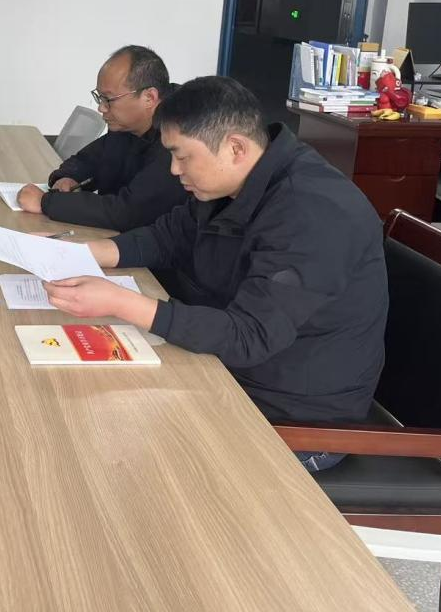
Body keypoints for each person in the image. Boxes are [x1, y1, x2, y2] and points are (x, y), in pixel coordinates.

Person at [44, 76, 388, 473]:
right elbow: (168, 236)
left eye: (182, 156)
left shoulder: (313, 213)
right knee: (81, 404)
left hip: (293, 419)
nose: (174, 170)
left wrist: (121, 303)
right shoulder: (234, 182)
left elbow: (250, 336)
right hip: (231, 375)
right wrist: (78, 254)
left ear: (235, 148)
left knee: (111, 452)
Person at [17, 46, 187, 232]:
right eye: (100, 97)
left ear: (149, 97)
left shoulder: (178, 137)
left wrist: (46, 202)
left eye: (108, 99)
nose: (101, 108)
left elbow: (128, 212)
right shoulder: (125, 126)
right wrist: (67, 177)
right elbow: (88, 159)